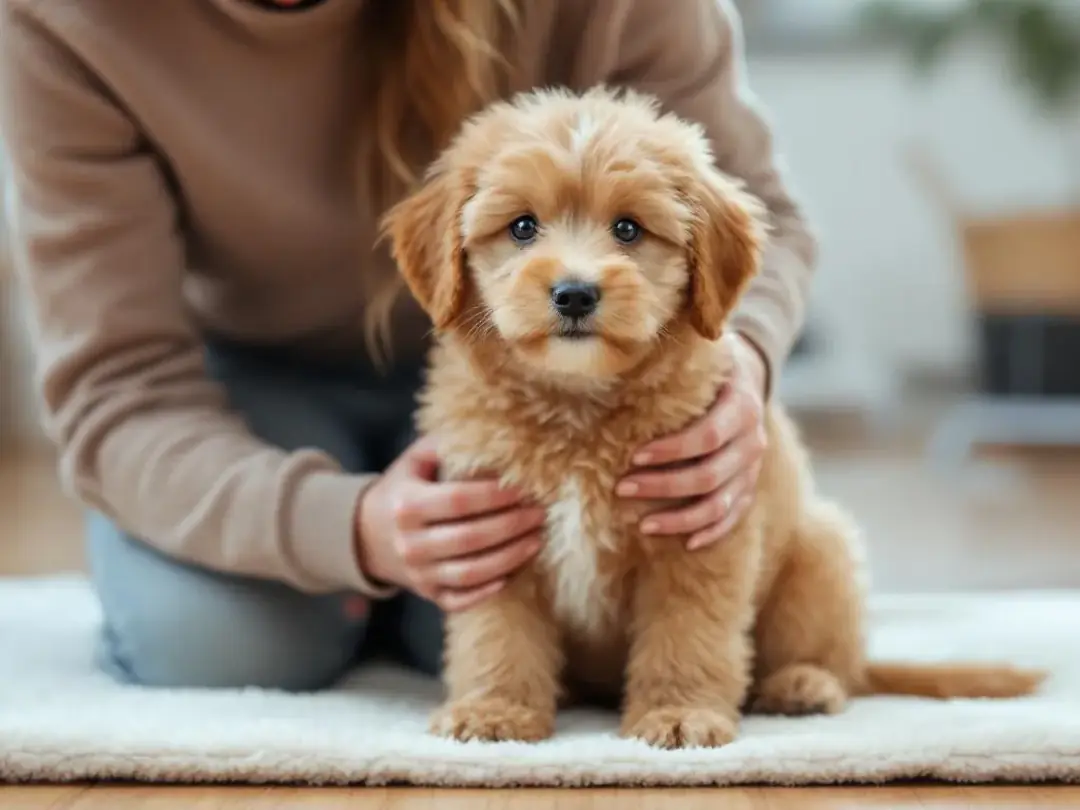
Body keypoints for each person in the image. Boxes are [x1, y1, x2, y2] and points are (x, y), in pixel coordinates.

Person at [0, 0, 817, 690]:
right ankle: (369, 598)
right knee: (216, 644)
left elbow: (755, 219)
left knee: (534, 627)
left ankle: (401, 614)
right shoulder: (63, 21)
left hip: (558, 389)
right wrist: (348, 528)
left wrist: (739, 363)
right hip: (251, 385)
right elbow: (118, 386)